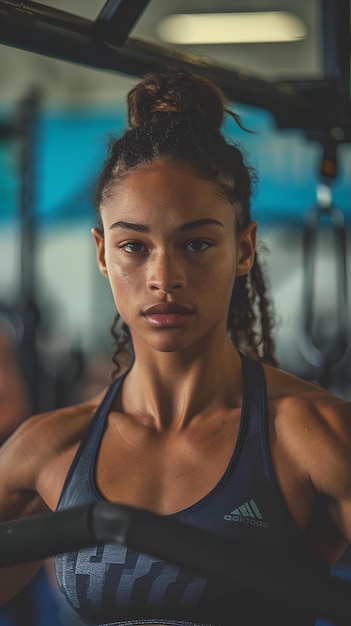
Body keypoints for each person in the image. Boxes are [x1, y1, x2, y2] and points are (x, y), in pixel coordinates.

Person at [0, 67, 350, 626]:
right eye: (134, 245)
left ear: (243, 248)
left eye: (197, 243)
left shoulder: (310, 437)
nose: (164, 276)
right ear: (101, 253)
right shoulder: (49, 450)